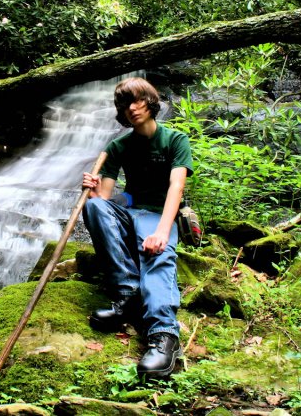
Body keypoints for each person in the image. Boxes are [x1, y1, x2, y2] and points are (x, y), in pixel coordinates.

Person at [81, 77, 193, 379]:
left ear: (150, 102)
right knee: (93, 206)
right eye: (124, 104)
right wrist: (91, 190)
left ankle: (164, 336)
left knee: (157, 257)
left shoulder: (175, 140)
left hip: (158, 215)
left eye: (137, 100)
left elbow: (176, 187)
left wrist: (162, 231)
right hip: (131, 213)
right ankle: (128, 292)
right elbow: (103, 200)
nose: (131, 108)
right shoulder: (118, 146)